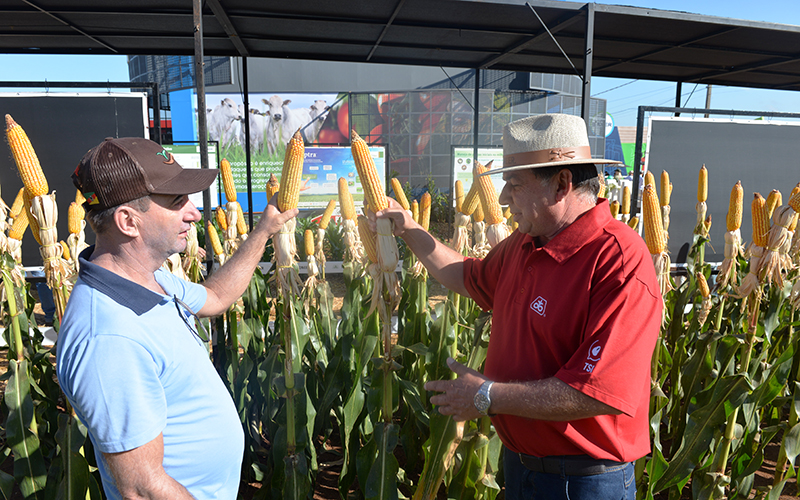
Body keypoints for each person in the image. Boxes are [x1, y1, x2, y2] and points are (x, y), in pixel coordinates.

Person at [375, 114, 662, 499]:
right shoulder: (526, 243)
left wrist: (487, 396)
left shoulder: (618, 261)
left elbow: (596, 391)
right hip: (521, 467)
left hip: (583, 481)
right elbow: (467, 275)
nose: (503, 199)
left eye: (514, 185)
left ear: (562, 183)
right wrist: (409, 228)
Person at [57, 137, 297, 500]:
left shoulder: (152, 282)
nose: (194, 213)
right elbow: (143, 488)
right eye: (176, 201)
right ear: (128, 221)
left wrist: (263, 232)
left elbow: (215, 297)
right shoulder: (108, 337)